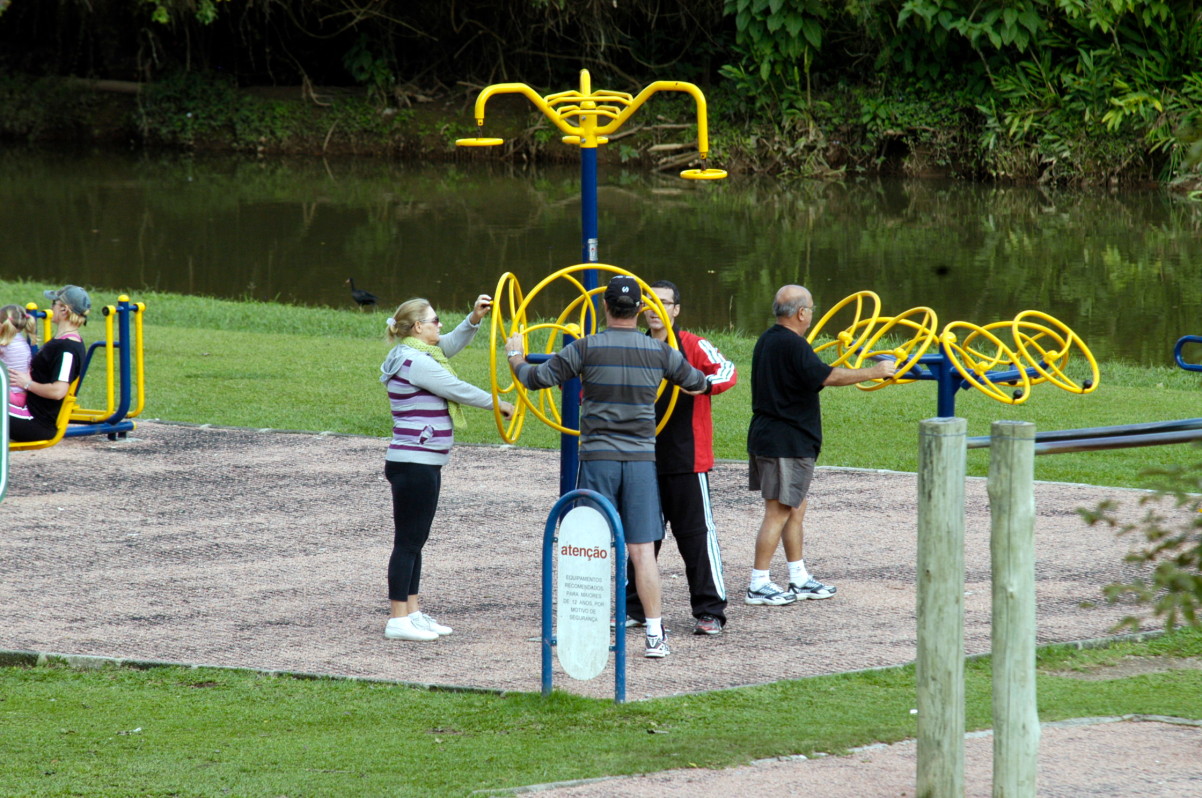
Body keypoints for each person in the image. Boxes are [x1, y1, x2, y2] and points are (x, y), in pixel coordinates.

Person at [506, 275, 711, 659]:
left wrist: (515, 357)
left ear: (605, 308)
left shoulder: (586, 348)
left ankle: (585, 630)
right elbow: (698, 382)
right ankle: (655, 634)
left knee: (590, 545)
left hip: (598, 457)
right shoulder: (658, 351)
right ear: (639, 310)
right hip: (639, 460)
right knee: (642, 551)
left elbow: (537, 379)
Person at [745, 284, 897, 606]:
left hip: (775, 436)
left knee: (795, 509)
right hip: (784, 441)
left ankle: (798, 577)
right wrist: (875, 370)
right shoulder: (792, 345)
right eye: (811, 308)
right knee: (778, 512)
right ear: (802, 313)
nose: (812, 314)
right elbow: (828, 376)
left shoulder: (769, 340)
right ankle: (758, 583)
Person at [380, 295, 514, 642]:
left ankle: (412, 611)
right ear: (419, 327)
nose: (440, 325)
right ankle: (398, 618)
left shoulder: (416, 352)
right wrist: (497, 404)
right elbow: (455, 388)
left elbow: (448, 345)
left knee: (415, 540)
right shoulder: (416, 361)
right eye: (435, 320)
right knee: (408, 542)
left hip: (420, 461)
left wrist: (473, 319)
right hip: (414, 463)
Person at [624, 280, 737, 636]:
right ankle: (636, 607)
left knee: (696, 537)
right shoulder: (633, 345)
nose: (656, 308)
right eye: (650, 302)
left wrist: (702, 383)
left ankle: (710, 610)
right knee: (642, 539)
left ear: (676, 310)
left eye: (665, 302)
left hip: (686, 459)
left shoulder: (692, 344)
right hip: (642, 457)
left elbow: (727, 371)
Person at [7, 286, 90, 443]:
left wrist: (27, 383)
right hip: (28, 411)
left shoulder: (67, 349)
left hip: (36, 422)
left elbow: (58, 391)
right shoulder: (62, 341)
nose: (51, 307)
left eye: (54, 303)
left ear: (64, 310)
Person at [0, 304, 38, 420]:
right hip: (22, 396)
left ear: (3, 325)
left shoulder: (5, 344)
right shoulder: (20, 341)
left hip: (10, 395)